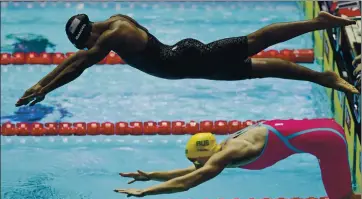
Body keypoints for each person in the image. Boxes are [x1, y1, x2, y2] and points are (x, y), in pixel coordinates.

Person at [16, 12, 359, 107]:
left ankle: (317, 23)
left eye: (88, 40)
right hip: (189, 64)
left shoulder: (115, 34)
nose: (90, 45)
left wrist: (48, 89)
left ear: (90, 31)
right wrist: (41, 82)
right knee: (256, 69)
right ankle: (324, 78)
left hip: (189, 59)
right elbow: (77, 58)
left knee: (257, 42)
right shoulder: (105, 28)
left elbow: (80, 64)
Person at [115, 118, 361, 199]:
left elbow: (191, 181)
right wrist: (150, 175)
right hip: (326, 129)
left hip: (328, 142)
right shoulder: (222, 148)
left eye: (196, 161)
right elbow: (192, 172)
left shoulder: (232, 151)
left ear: (206, 155)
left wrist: (147, 192)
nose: (194, 166)